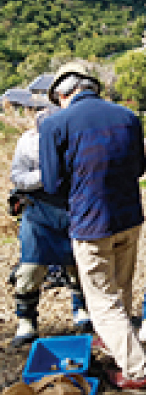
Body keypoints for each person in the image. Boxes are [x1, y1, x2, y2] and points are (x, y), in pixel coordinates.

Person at [39, 62, 146, 391]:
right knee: (122, 285)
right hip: (130, 217)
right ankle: (112, 338)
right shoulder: (128, 117)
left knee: (101, 300)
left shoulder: (54, 124)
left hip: (91, 223)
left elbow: (51, 183)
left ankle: (135, 370)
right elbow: (140, 168)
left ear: (62, 92)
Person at [9, 107, 91, 347]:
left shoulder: (78, 140)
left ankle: (82, 310)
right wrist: (45, 176)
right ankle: (26, 321)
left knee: (78, 264)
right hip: (38, 210)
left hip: (72, 209)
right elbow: (18, 175)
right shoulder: (27, 142)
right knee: (30, 268)